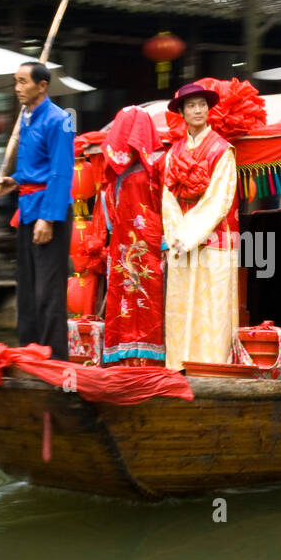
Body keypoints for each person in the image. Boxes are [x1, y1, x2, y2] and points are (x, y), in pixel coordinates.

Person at [0, 62, 74, 360]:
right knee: (28, 287)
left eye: (22, 82)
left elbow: (60, 172)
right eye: (15, 82)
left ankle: (54, 358)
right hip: (27, 208)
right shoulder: (26, 118)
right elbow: (32, 169)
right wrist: (13, 181)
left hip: (48, 212)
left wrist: (48, 217)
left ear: (42, 86)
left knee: (48, 290)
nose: (17, 88)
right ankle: (29, 352)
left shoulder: (59, 120)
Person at [161, 82, 238, 371]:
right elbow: (168, 198)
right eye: (191, 105)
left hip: (215, 238)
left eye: (202, 105)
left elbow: (220, 200)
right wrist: (176, 236)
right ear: (181, 111)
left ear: (208, 109)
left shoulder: (222, 150)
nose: (197, 110)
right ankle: (179, 363)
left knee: (212, 303)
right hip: (181, 238)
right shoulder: (174, 153)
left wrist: (190, 234)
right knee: (181, 302)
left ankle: (213, 365)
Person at [101, 106, 167, 366]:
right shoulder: (151, 165)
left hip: (146, 244)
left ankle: (145, 360)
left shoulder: (157, 165)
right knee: (128, 298)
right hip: (132, 246)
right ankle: (129, 357)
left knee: (146, 299)